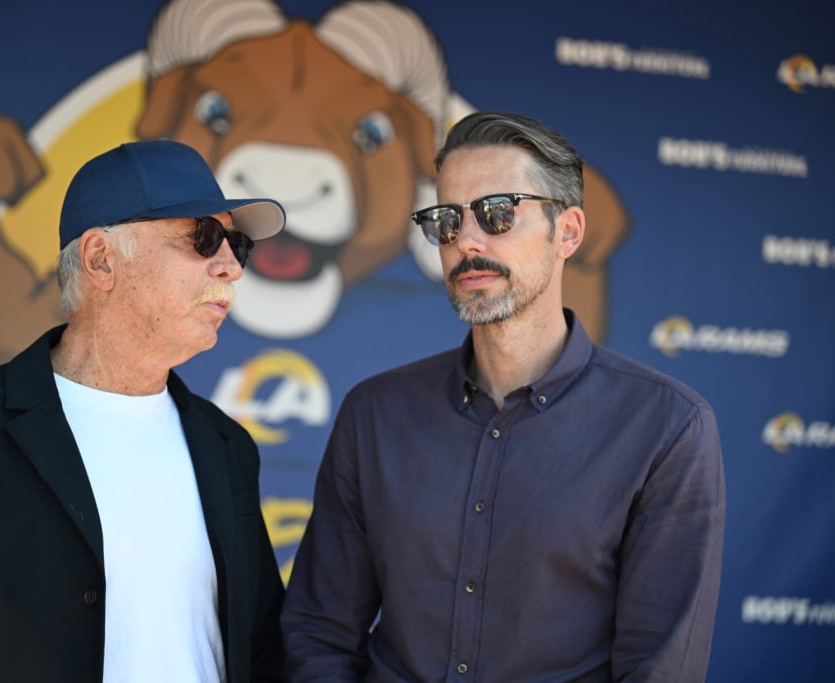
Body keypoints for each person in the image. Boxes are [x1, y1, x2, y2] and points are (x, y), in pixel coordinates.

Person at [281, 112, 725, 682]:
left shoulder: (668, 428)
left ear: (567, 232)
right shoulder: (375, 414)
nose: (466, 241)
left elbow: (659, 667)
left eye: (498, 213)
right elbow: (319, 632)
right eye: (446, 220)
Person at [0, 140, 287, 682]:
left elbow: (263, 651)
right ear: (100, 259)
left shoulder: (226, 447)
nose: (230, 266)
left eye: (235, 243)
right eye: (203, 238)